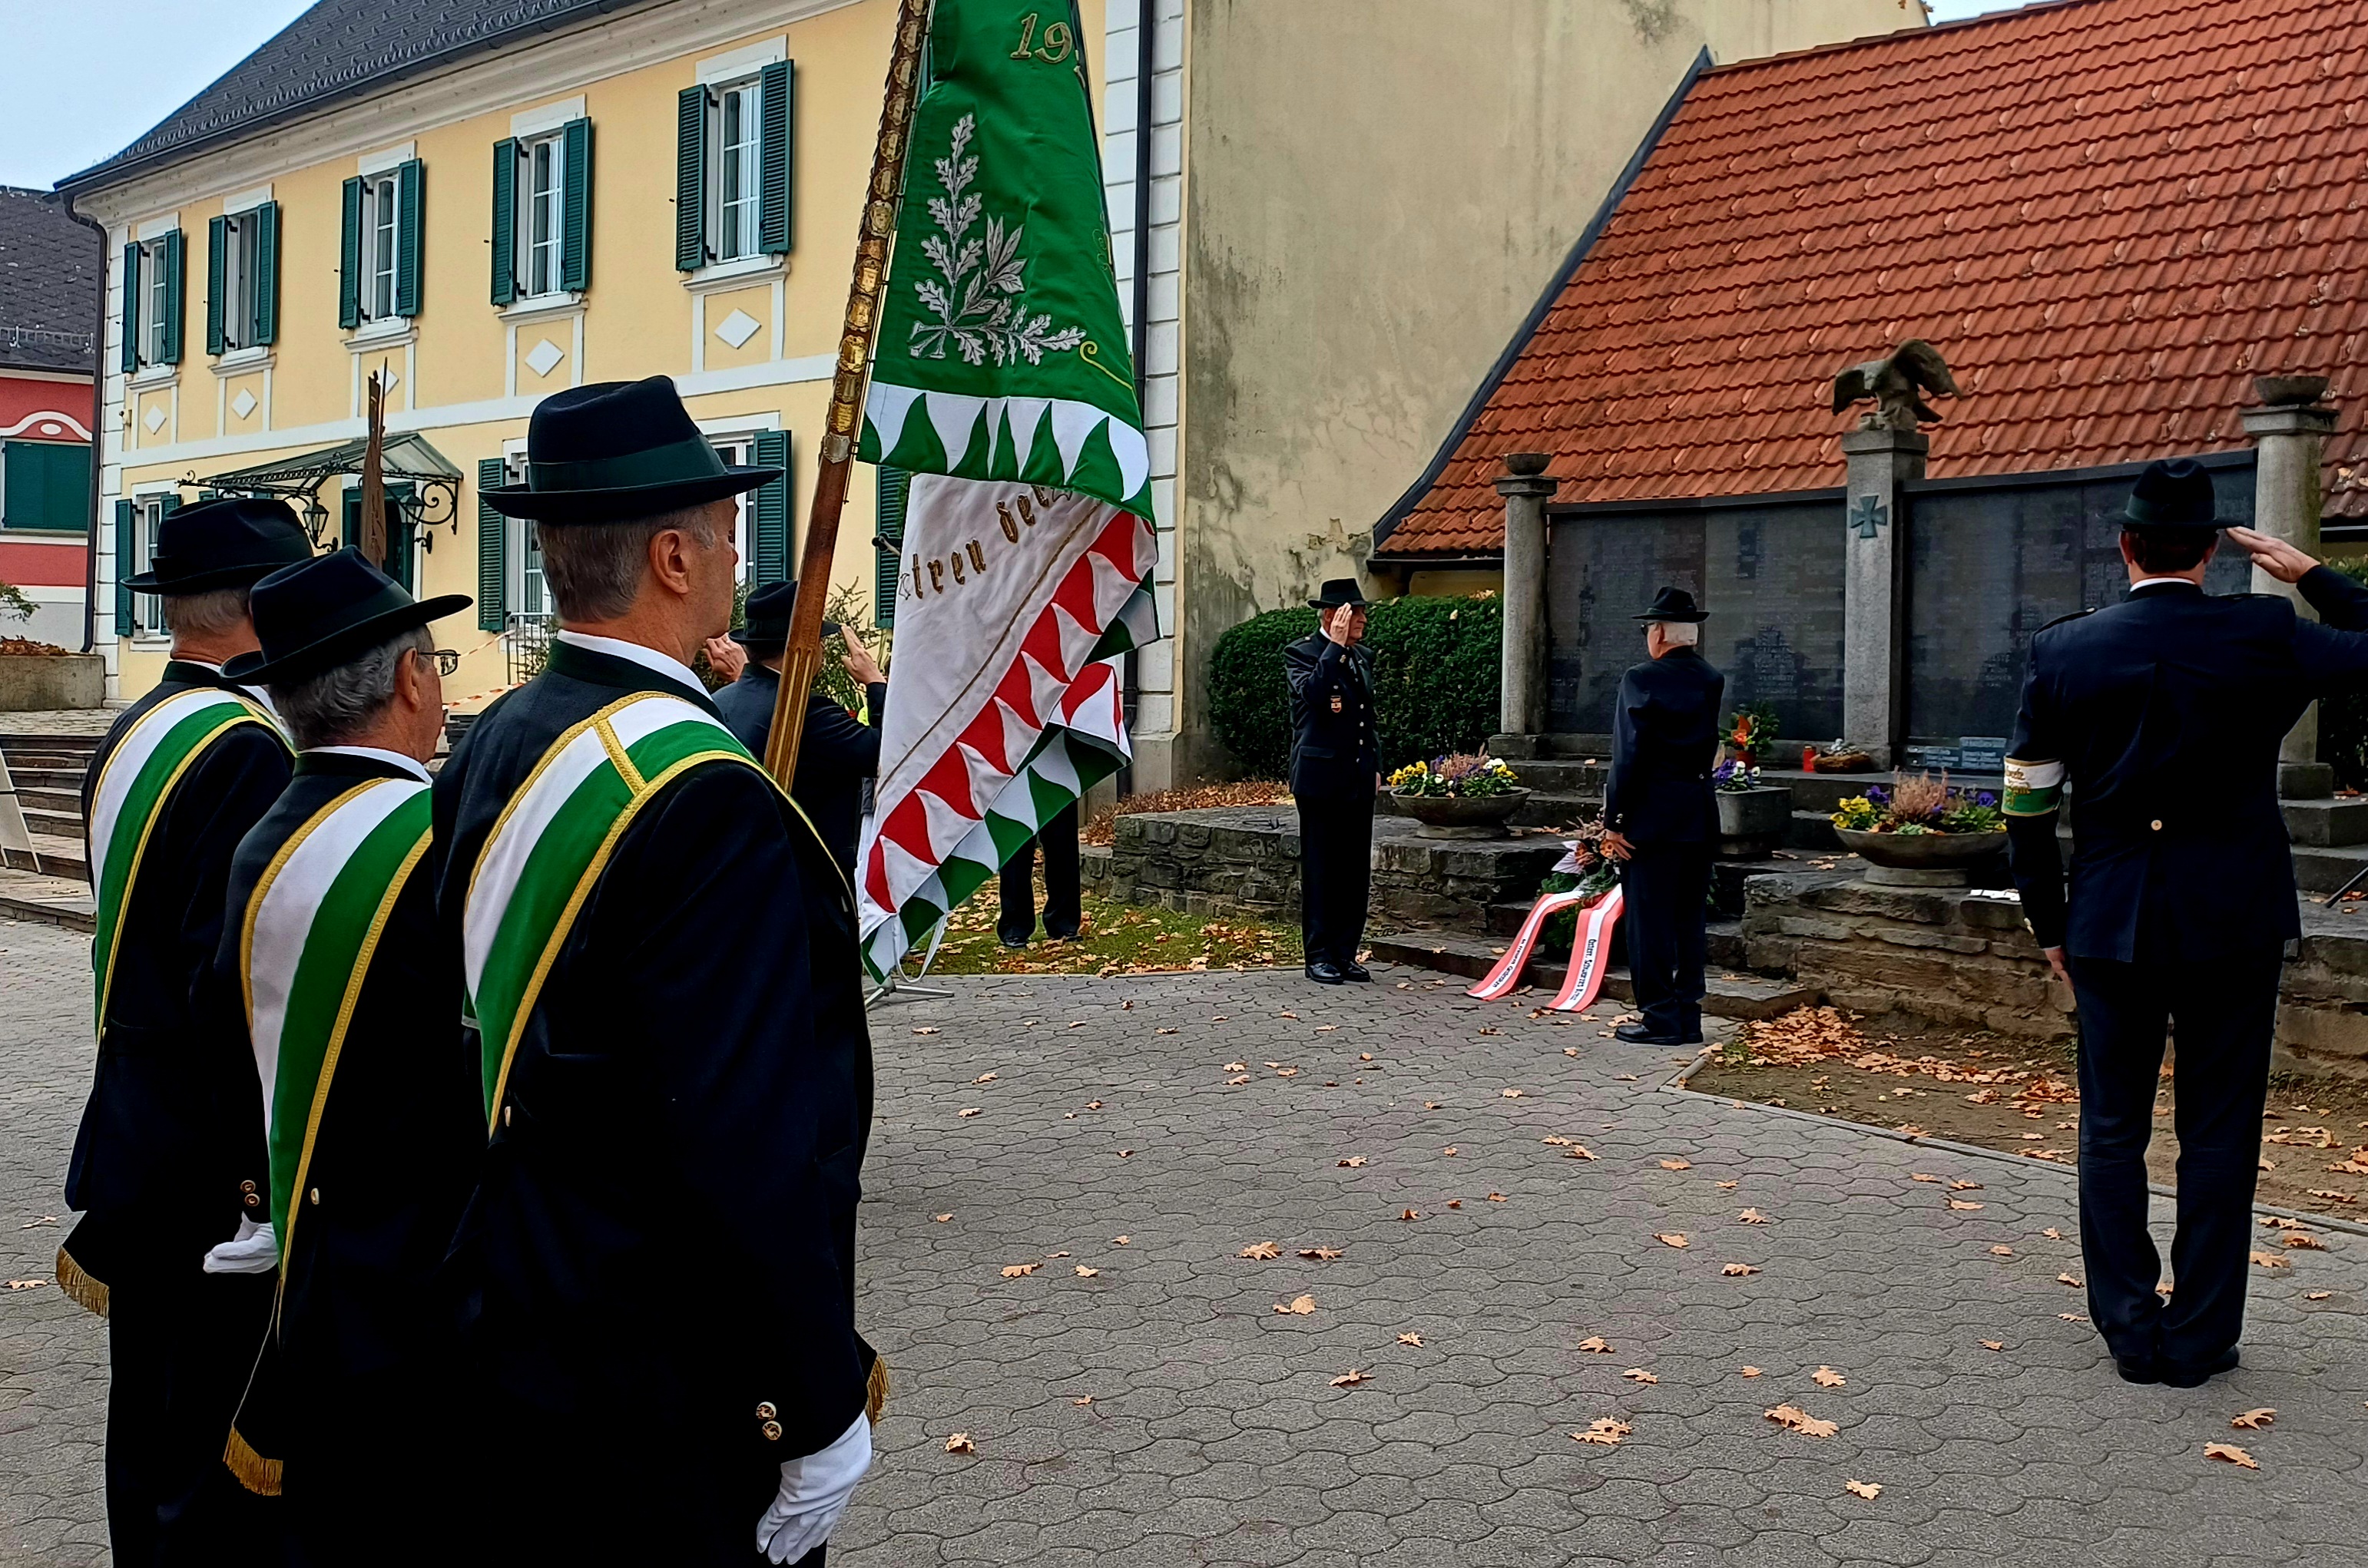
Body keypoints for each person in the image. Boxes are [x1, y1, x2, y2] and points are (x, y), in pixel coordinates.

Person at [436, 377, 876, 1565]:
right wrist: (813, 1403)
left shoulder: (494, 739)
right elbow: (744, 1136)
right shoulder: (705, 792)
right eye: (727, 535)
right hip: (662, 1363)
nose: (738, 557)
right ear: (673, 558)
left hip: (520, 1300)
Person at [2005, 457, 2368, 1388]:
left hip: (2108, 922)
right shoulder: (2265, 630)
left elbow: (2025, 809)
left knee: (2111, 1128)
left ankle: (2130, 1330)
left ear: (2123, 545)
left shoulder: (2060, 650)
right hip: (2230, 920)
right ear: (2209, 550)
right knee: (2218, 1131)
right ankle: (2200, 1336)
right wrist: (2310, 573)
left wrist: (2049, 921)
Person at [202, 549, 482, 1562]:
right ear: (411, 679)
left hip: (316, 1279)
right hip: (438, 1293)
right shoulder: (438, 839)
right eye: (436, 660)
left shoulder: (259, 840)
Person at [59, 495, 308, 1563]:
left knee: (151, 1433)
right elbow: (236, 982)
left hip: (139, 1128)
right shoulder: (246, 745)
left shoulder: (140, 725)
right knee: (210, 1459)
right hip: (211, 1167)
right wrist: (263, 1174)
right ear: (264, 607)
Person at [1601, 586, 1724, 1046]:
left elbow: (1629, 753)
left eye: (1648, 628)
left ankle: (1660, 1017)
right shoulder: (1710, 678)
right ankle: (1689, 1014)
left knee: (1649, 922)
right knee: (1688, 919)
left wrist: (1614, 819)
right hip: (1695, 811)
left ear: (1658, 633)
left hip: (1650, 817)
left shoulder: (1641, 678)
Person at [709, 578, 889, 882]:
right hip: (808, 880)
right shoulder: (808, 711)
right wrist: (876, 684)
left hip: (742, 872)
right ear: (805, 646)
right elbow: (887, 752)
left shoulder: (718, 701)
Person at [1285, 578, 1382, 984]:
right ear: (1331, 615)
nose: (1361, 619)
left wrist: (1376, 764)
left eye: (1360, 612)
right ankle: (1319, 954)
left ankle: (1345, 952)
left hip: (1357, 774)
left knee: (1354, 869)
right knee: (1323, 868)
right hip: (1320, 776)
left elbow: (1367, 717)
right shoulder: (1302, 653)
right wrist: (1335, 647)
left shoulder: (1363, 656)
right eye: (1353, 612)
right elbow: (1315, 696)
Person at [998, 802, 1082, 948]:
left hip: (1059, 783)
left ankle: (1064, 923)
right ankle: (1015, 926)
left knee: (1063, 847)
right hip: (1011, 784)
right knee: (1015, 852)